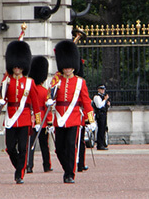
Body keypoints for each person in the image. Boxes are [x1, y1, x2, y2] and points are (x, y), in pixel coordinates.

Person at [48, 40, 96, 183]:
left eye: (70, 67)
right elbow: (49, 96)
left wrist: (91, 119)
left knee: (70, 145)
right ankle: (67, 168)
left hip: (73, 117)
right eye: (65, 67)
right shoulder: (56, 80)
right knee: (58, 148)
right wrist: (49, 99)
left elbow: (86, 102)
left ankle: (69, 173)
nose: (67, 69)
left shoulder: (80, 82)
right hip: (59, 117)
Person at [0, 40, 42, 184]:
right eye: (15, 66)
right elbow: (1, 97)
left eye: (19, 66)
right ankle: (20, 167)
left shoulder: (29, 82)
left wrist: (38, 121)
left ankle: (19, 174)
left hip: (24, 118)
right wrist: (0, 102)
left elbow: (35, 103)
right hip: (10, 117)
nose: (17, 68)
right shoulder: (7, 81)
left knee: (23, 148)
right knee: (10, 148)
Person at [26, 56, 53, 173]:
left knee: (30, 145)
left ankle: (29, 165)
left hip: (31, 120)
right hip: (42, 121)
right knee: (44, 145)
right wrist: (50, 121)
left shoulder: (28, 90)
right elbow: (48, 109)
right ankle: (46, 165)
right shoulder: (45, 91)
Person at [92, 84, 110, 150]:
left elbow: (104, 106)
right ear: (98, 90)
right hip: (100, 115)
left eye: (103, 89)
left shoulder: (103, 97)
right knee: (100, 129)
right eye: (101, 89)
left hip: (104, 114)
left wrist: (107, 104)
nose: (103, 91)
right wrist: (105, 100)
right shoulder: (97, 97)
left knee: (103, 129)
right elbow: (99, 106)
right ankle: (99, 144)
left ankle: (103, 143)